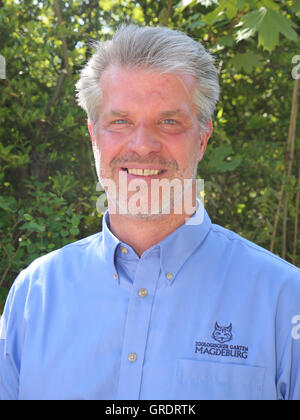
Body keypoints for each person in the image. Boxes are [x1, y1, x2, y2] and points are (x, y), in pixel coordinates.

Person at [0, 25, 300, 401]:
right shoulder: (34, 295)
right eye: (120, 121)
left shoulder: (284, 299)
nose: (142, 145)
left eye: (169, 121)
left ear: (203, 138)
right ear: (94, 135)